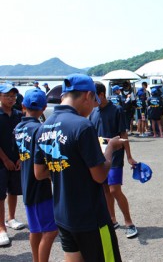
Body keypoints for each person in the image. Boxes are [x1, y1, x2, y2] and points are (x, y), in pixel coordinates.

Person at [34, 74, 124, 261]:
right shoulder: (83, 126)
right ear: (87, 95)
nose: (93, 107)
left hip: (62, 214)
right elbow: (99, 175)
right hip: (90, 217)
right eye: (93, 101)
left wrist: (67, 171)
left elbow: (39, 172)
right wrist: (110, 149)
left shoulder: (44, 127)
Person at [89, 82, 138, 238]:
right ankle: (112, 219)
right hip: (99, 156)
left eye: (94, 96)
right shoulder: (93, 112)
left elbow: (124, 135)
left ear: (102, 94)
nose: (92, 100)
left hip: (116, 156)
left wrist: (129, 156)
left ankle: (129, 222)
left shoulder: (116, 110)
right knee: (105, 190)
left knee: (114, 189)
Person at [14, 89, 58, 261]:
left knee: (35, 229)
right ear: (45, 107)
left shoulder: (18, 128)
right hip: (40, 187)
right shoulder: (40, 130)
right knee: (51, 230)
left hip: (26, 184)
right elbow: (44, 163)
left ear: (23, 106)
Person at [0, 84, 25, 246]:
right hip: (1, 162)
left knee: (14, 190)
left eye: (13, 96)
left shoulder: (18, 115)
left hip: (17, 160)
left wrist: (21, 158)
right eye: (7, 95)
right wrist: (6, 160)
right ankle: (1, 228)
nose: (11, 98)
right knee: (0, 195)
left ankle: (11, 218)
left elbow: (23, 138)